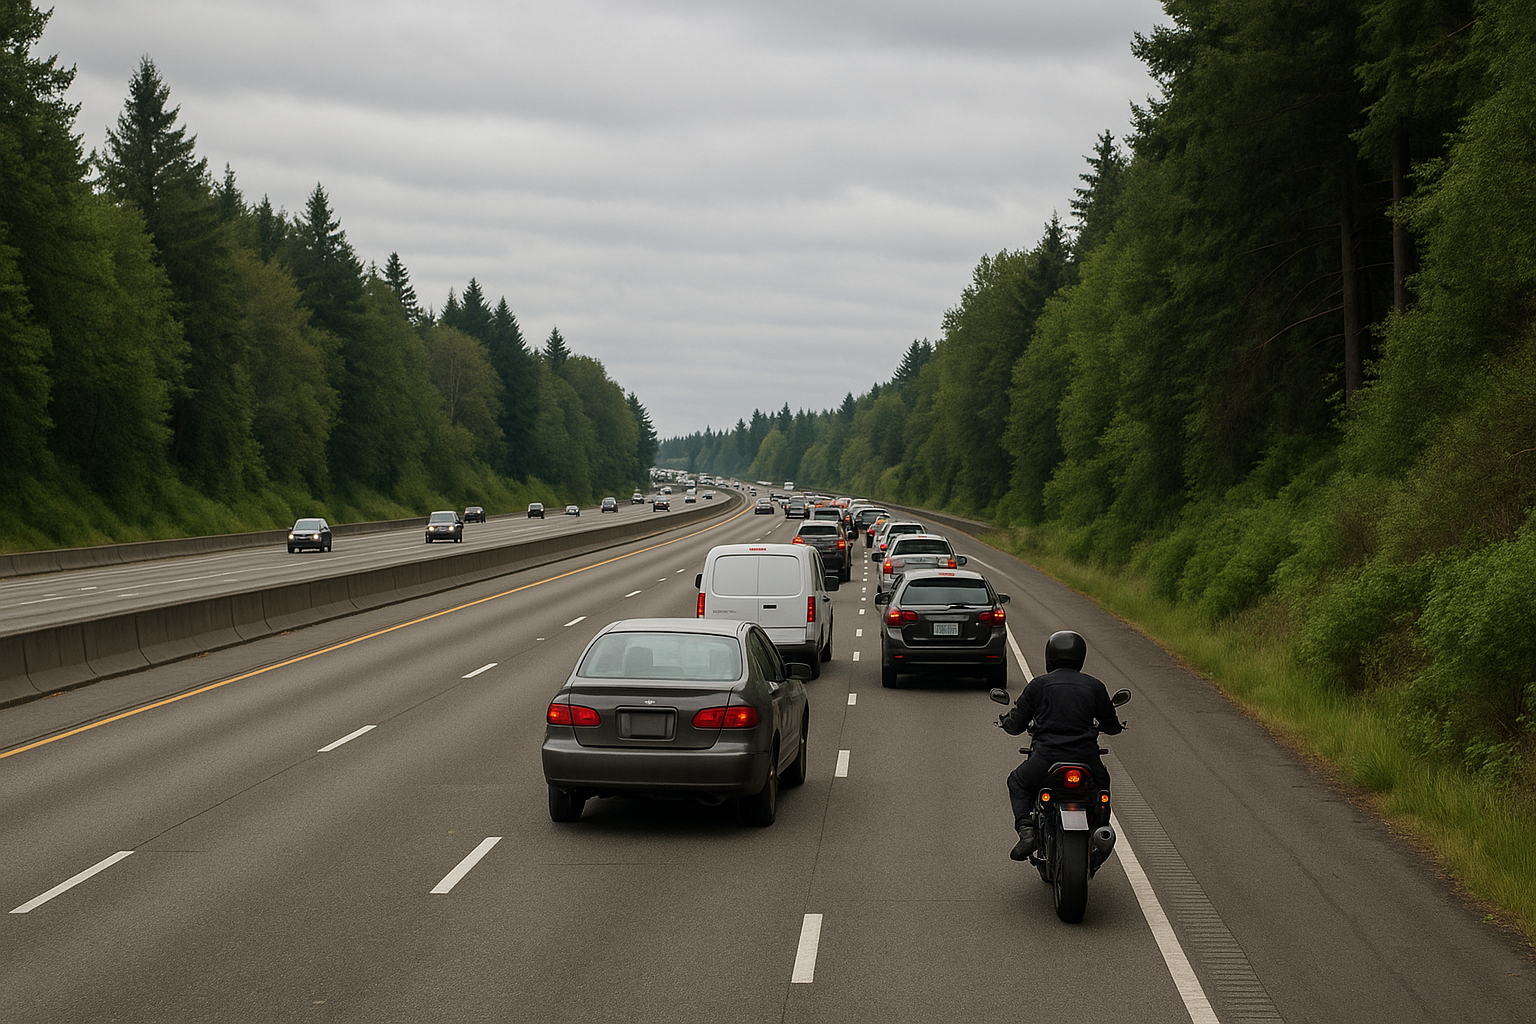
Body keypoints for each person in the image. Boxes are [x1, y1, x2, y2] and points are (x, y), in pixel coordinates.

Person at [999, 630, 1123, 860]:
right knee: (1102, 787)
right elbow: (1111, 724)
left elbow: (1016, 724)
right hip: (1086, 757)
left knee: (1017, 782)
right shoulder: (1094, 686)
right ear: (1080, 657)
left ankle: (1027, 831)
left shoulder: (1039, 685)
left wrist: (1005, 722)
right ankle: (1101, 832)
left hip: (1046, 757)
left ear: (1050, 656)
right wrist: (1112, 726)